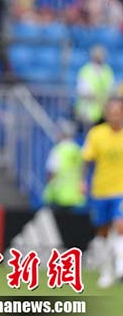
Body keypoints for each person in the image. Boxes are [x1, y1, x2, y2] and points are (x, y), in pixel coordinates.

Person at [83, 98, 123, 289]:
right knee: (103, 232)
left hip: (121, 190)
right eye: (112, 111)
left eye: (118, 111)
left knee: (121, 226)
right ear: (106, 113)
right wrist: (81, 181)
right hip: (101, 190)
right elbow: (87, 160)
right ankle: (107, 270)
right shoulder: (96, 134)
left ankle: (121, 267)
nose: (115, 114)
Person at [43, 120, 86, 211]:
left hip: (58, 194)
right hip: (75, 195)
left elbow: (52, 170)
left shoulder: (58, 150)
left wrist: (48, 187)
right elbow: (83, 169)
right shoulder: (78, 150)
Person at [75, 46, 116, 129]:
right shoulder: (86, 71)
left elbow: (112, 90)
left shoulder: (108, 70)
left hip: (104, 112)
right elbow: (83, 92)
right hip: (88, 112)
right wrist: (100, 98)